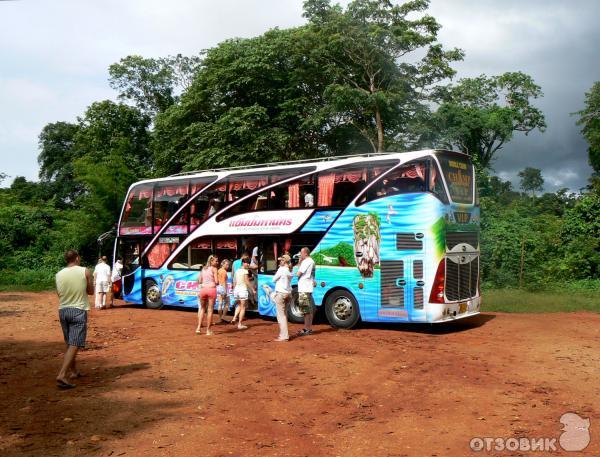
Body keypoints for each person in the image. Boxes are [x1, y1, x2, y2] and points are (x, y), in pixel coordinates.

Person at [55, 249, 94, 389]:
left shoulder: (58, 274)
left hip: (63, 310)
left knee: (69, 343)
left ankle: (74, 371)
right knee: (75, 343)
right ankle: (62, 374)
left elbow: (59, 294)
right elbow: (91, 291)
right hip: (78, 310)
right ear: (77, 258)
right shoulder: (84, 271)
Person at [296, 247, 316, 336]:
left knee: (306, 310)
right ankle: (308, 328)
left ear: (305, 254)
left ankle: (307, 329)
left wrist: (299, 262)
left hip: (304, 288)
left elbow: (298, 273)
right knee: (308, 309)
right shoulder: (312, 261)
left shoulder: (306, 261)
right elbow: (313, 274)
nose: (300, 254)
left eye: (301, 253)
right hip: (308, 287)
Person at [197, 255, 219, 335]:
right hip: (211, 289)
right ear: (211, 261)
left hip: (203, 290)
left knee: (202, 308)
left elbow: (199, 280)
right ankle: (208, 330)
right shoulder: (214, 269)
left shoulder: (203, 269)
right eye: (216, 261)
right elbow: (216, 281)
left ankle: (198, 328)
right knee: (210, 310)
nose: (217, 262)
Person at [272, 255, 293, 342]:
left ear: (284, 261)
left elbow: (274, 279)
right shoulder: (289, 270)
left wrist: (279, 269)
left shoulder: (281, 269)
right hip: (288, 293)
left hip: (281, 293)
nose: (280, 262)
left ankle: (284, 336)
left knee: (281, 316)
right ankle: (284, 334)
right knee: (284, 315)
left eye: (281, 260)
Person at [231, 257, 254, 330]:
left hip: (237, 290)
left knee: (239, 305)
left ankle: (234, 318)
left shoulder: (237, 271)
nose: (248, 265)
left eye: (249, 263)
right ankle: (240, 324)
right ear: (243, 263)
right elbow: (247, 281)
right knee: (243, 307)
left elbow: (235, 281)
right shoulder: (245, 271)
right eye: (247, 263)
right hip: (242, 290)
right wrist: (253, 289)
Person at [216, 259, 231, 323]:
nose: (228, 266)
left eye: (228, 265)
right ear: (223, 264)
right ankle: (223, 316)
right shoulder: (224, 272)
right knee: (227, 302)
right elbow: (224, 282)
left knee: (220, 303)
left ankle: (220, 318)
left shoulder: (218, 270)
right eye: (227, 264)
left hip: (218, 287)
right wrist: (225, 291)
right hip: (222, 287)